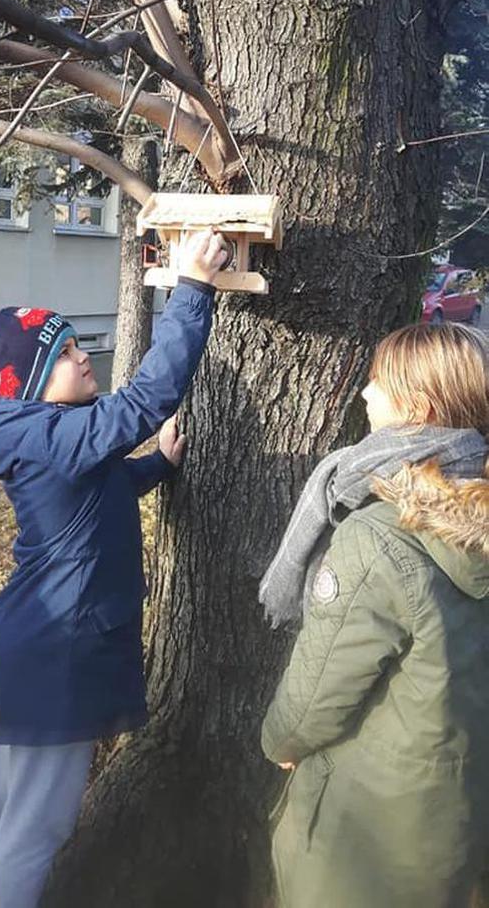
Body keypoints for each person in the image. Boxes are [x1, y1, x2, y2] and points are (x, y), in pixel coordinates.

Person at [0, 228, 228, 908]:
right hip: (61, 647)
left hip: (35, 636)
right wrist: (193, 288)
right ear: (31, 382)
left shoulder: (36, 433)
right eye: (66, 353)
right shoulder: (53, 435)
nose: (86, 359)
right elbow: (145, 401)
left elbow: (93, 494)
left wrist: (157, 468)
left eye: (79, 343)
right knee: (37, 826)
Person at [259, 322, 489, 908]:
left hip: (367, 835)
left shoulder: (379, 536)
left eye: (376, 383)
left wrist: (278, 742)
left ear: (418, 406)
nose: (363, 395)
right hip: (455, 813)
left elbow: (315, 699)